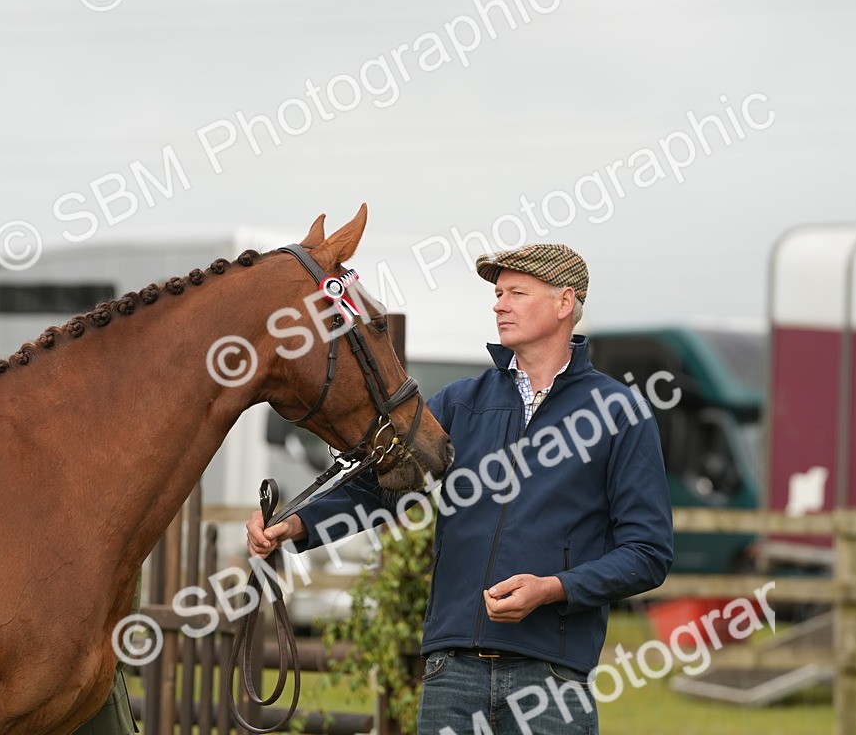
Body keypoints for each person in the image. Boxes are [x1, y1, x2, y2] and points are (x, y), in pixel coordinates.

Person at [247, 243, 674, 734]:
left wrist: (554, 589)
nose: (499, 304)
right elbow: (380, 488)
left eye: (517, 292)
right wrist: (297, 525)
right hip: (452, 669)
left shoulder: (618, 413)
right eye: (497, 293)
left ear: (564, 304)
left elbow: (647, 552)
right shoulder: (459, 403)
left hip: (554, 677)